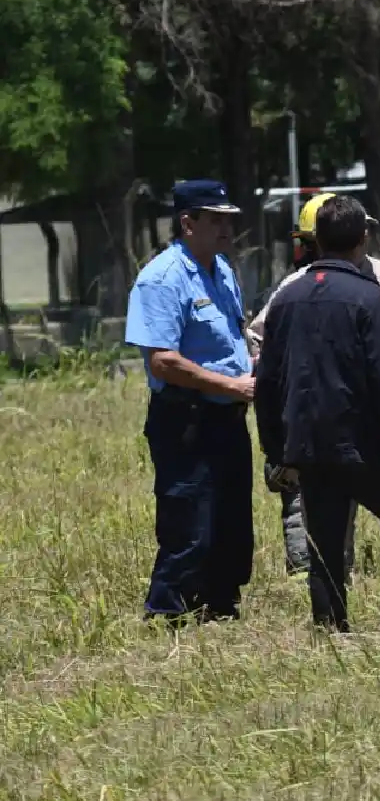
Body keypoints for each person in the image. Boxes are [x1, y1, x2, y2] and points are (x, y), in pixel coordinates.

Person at [253, 194, 380, 631]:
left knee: (325, 545)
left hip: (309, 447)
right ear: (363, 237)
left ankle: (330, 630)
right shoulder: (369, 298)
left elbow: (268, 383)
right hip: (366, 446)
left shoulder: (287, 298)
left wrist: (277, 450)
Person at [124, 178, 256, 624]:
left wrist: (253, 362)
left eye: (229, 220)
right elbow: (164, 361)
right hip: (187, 418)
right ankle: (170, 611)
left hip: (228, 415)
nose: (226, 229)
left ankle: (220, 606)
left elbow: (235, 334)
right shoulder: (161, 279)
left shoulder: (222, 271)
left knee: (232, 518)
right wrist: (231, 385)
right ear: (187, 222)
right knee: (189, 519)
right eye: (216, 219)